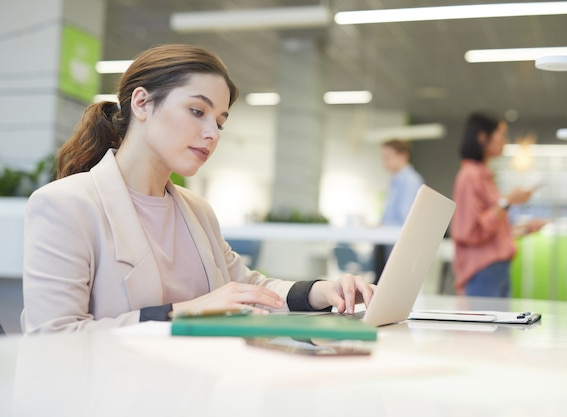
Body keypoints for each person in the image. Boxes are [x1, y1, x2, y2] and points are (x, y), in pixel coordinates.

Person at [21, 44, 374, 334]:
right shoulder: (65, 205)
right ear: (142, 103)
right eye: (196, 111)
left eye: (219, 122)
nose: (212, 133)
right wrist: (186, 312)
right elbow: (53, 335)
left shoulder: (196, 210)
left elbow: (247, 286)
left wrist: (320, 292)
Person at [452, 112, 546, 297]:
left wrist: (525, 229)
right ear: (482, 137)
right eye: (501, 135)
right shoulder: (470, 176)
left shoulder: (485, 176)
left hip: (496, 270)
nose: (505, 141)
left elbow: (491, 231)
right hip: (483, 271)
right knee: (486, 326)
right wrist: (507, 202)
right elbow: (469, 231)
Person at [373, 139, 424, 284]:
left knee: (392, 284)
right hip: (388, 242)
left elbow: (406, 218)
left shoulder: (411, 181)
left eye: (388, 157)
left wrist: (384, 225)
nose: (385, 162)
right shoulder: (395, 180)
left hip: (398, 244)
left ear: (403, 156)